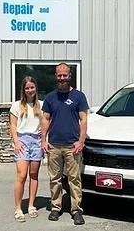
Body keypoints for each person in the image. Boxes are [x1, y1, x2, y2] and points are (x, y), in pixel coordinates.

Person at [41, 63, 89, 225]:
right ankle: (56, 207)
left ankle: (76, 210)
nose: (62, 78)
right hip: (54, 145)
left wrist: (81, 141)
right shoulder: (50, 98)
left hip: (72, 146)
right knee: (54, 178)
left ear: (70, 76)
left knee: (74, 179)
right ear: (56, 76)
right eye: (59, 75)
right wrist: (43, 140)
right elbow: (45, 119)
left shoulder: (79, 97)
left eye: (65, 75)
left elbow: (83, 120)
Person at [10, 76, 43, 223]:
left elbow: (48, 121)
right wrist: (16, 142)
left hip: (36, 141)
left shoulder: (41, 105)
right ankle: (18, 208)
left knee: (34, 174)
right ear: (23, 90)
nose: (30, 90)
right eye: (27, 88)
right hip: (22, 140)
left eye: (32, 87)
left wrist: (44, 132)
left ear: (36, 88)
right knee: (22, 175)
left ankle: (31, 205)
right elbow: (12, 125)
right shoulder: (16, 106)